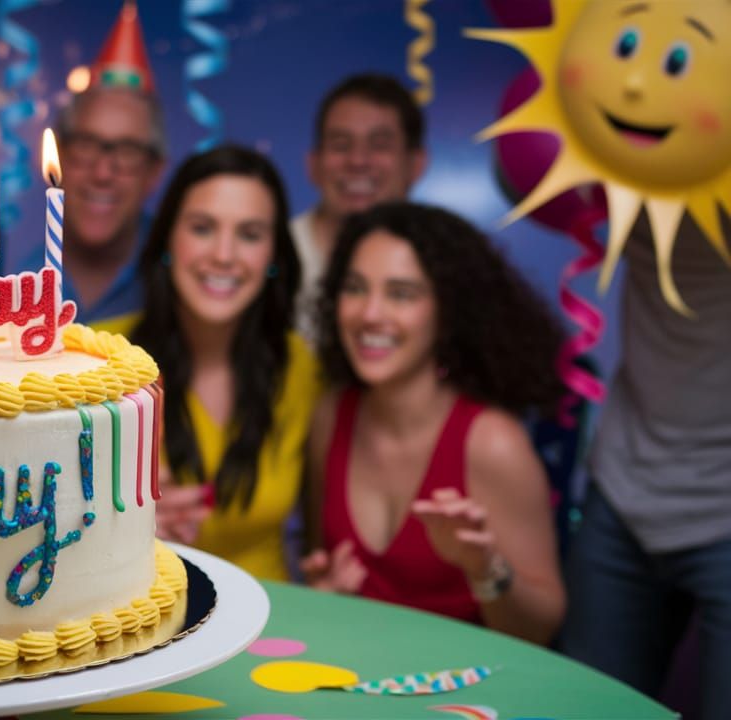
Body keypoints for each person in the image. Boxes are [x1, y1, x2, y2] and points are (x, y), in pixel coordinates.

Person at [302, 202, 565, 645]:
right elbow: (320, 568)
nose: (370, 314)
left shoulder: (493, 443)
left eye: (401, 294)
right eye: (355, 288)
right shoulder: (330, 416)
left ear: (447, 312)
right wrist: (322, 595)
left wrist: (485, 567)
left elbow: (541, 628)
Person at [561, 215, 731, 718]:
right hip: (622, 488)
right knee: (586, 709)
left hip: (723, 504)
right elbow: (521, 166)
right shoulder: (635, 170)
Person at [127, 145, 320, 581]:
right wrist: (117, 531)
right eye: (202, 228)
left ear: (273, 256)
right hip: (145, 619)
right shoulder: (97, 359)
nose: (224, 254)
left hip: (276, 626)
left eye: (250, 234)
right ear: (167, 240)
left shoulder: (302, 366)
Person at [52, 2, 166, 328]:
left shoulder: (185, 287)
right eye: (86, 145)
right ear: (59, 154)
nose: (102, 173)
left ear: (154, 172)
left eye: (127, 151)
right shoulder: (12, 284)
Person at [292, 74, 427, 340]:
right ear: (313, 164)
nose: (358, 160)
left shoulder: (441, 267)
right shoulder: (269, 258)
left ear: (416, 164)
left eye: (379, 145)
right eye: (340, 145)